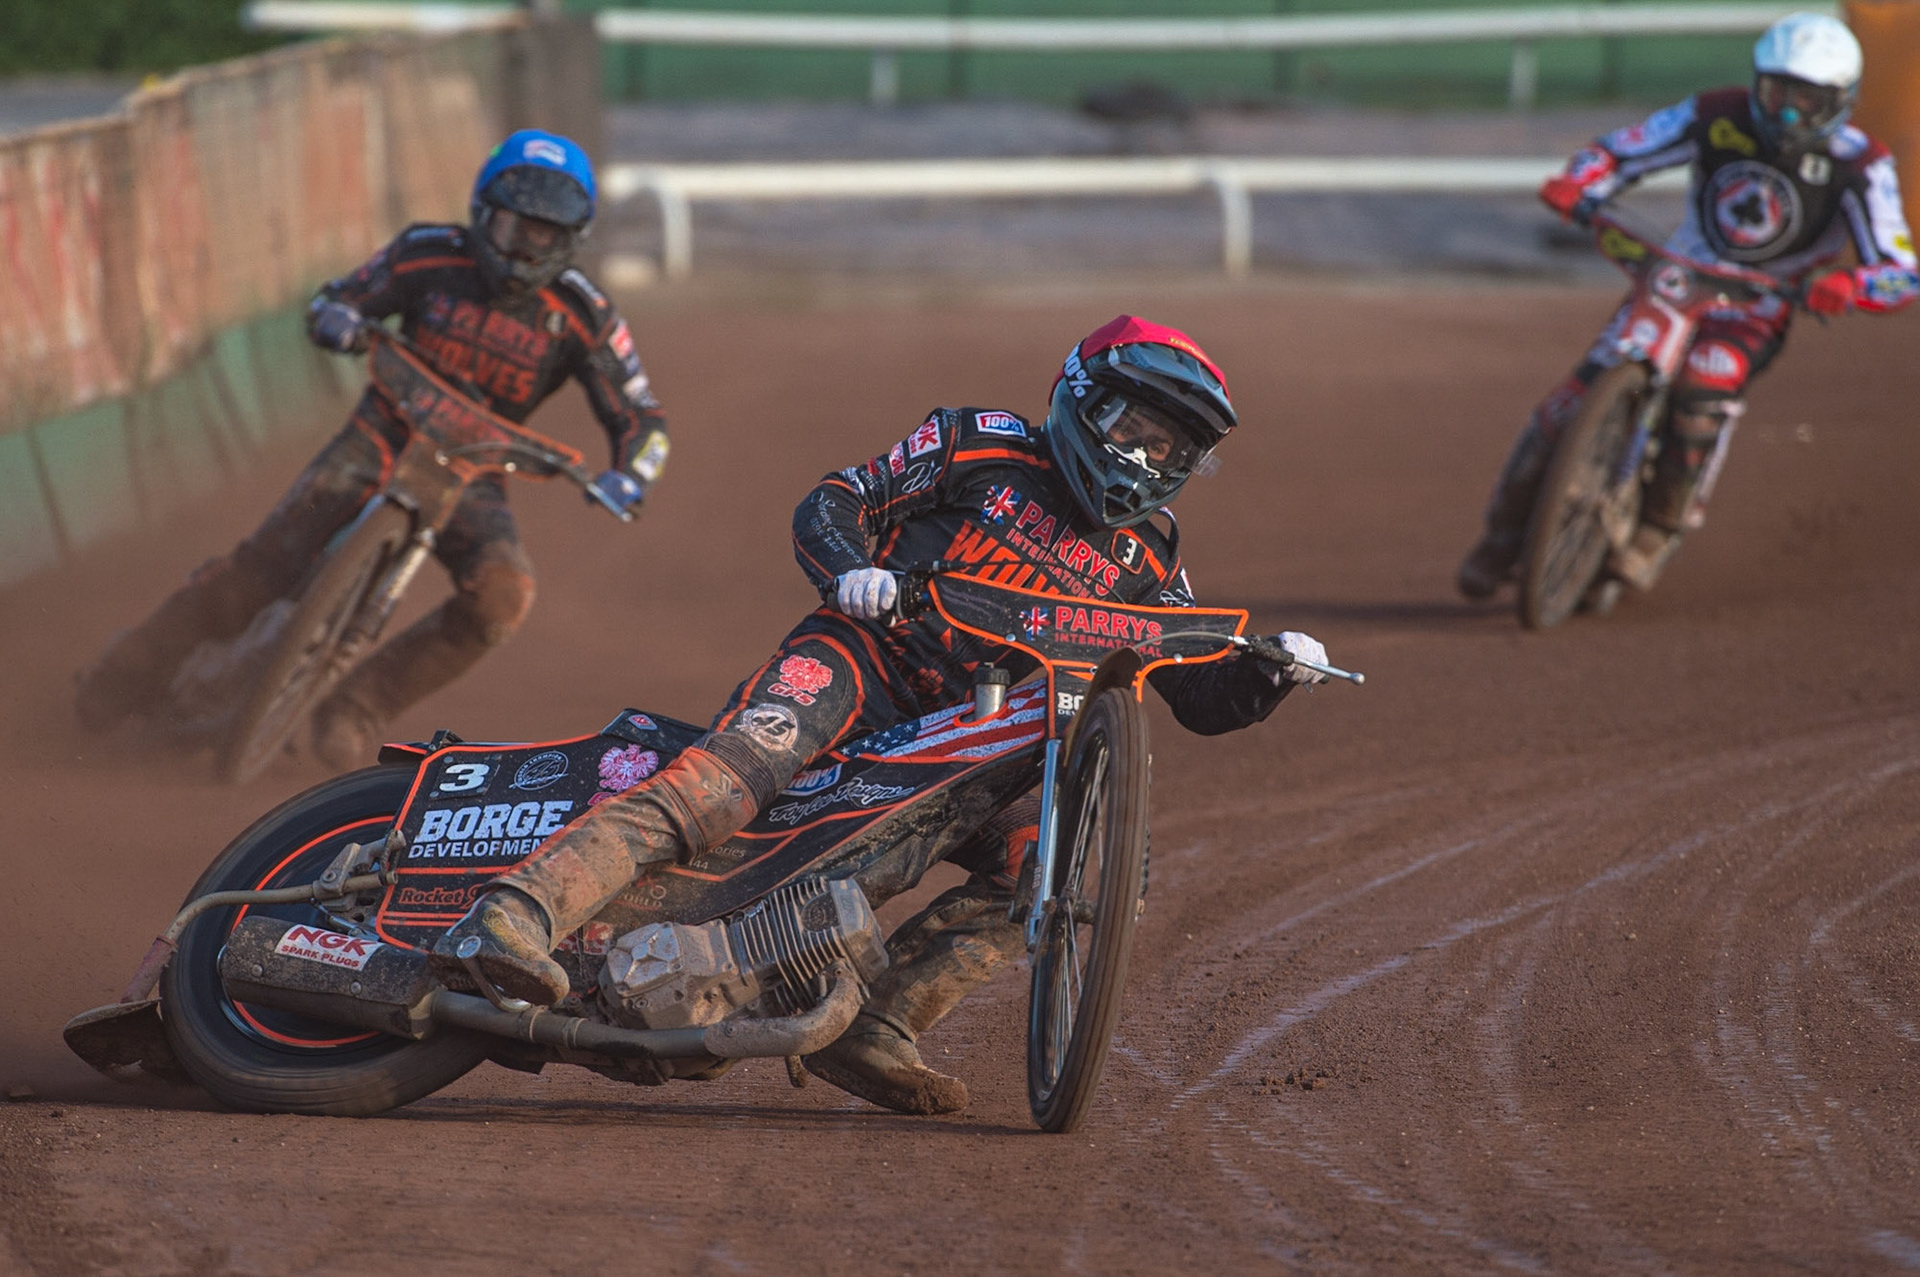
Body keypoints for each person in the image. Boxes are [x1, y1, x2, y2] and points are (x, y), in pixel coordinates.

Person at [431, 315, 1334, 1115]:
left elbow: (1199, 694)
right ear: (1080, 398)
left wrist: (1277, 670)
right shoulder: (976, 443)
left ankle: (877, 1022)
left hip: (972, 745)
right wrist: (850, 572)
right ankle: (513, 913)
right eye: (1131, 430)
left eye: (1170, 451)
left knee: (1050, 865)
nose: (1143, 460)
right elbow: (835, 500)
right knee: (723, 786)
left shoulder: (1147, 560)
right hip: (860, 665)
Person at [75, 130, 671, 768]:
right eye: (512, 228)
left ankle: (359, 707)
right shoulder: (427, 254)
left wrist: (631, 476)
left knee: (502, 597)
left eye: (544, 235)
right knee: (256, 575)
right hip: (379, 436)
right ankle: (130, 667)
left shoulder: (586, 313)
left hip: (472, 471)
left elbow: (642, 417)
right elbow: (337, 298)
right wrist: (338, 318)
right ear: (481, 214)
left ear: (571, 240)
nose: (526, 249)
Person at [1457, 13, 1917, 599]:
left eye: (1805, 100)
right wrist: (1581, 183)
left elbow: (1901, 272)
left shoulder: (1863, 165)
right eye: (1776, 93)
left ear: (1840, 102)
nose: (1786, 113)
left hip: (1761, 301)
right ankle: (1502, 533)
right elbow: (1623, 149)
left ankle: (1657, 529)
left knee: (1704, 392)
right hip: (1676, 277)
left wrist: (1849, 286)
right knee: (1568, 403)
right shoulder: (1714, 114)